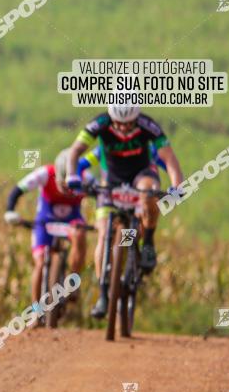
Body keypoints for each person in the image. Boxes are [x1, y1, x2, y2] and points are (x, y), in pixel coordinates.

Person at [65, 104, 184, 318]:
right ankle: (103, 294)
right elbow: (75, 152)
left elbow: (169, 158)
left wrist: (177, 186)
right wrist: (72, 176)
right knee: (103, 236)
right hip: (112, 180)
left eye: (128, 124)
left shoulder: (149, 126)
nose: (123, 128)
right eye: (118, 123)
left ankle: (147, 242)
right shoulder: (99, 124)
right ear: (111, 117)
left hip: (141, 174)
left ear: (136, 118)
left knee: (149, 193)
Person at [5, 149, 90, 307]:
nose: (66, 189)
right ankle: (36, 310)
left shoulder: (86, 178)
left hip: (72, 222)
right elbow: (17, 190)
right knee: (40, 263)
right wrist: (10, 211)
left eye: (70, 184)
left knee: (80, 235)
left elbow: (102, 197)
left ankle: (73, 280)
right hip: (45, 221)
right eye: (62, 183)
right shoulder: (44, 173)